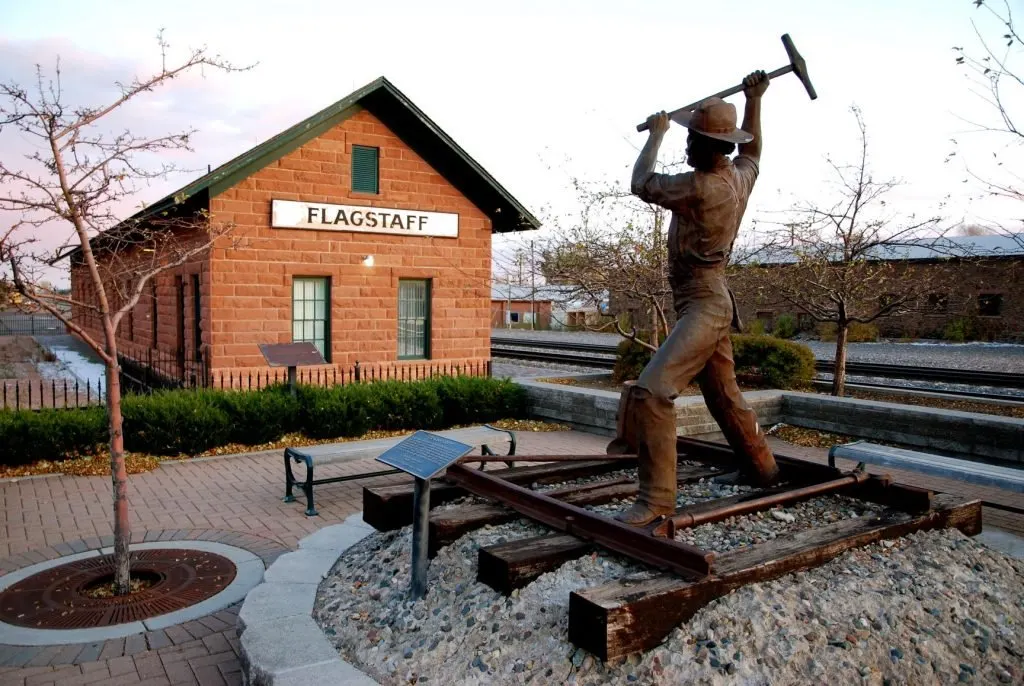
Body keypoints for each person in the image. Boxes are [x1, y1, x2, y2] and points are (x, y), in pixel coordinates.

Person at [608, 70, 780, 526]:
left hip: (704, 302)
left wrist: (657, 134)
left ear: (713, 147)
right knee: (723, 395)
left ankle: (657, 501)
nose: (687, 146)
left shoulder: (700, 186)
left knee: (652, 392)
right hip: (710, 299)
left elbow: (641, 182)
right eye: (686, 136)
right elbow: (754, 150)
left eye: (693, 139)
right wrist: (754, 99)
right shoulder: (739, 176)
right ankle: (762, 468)